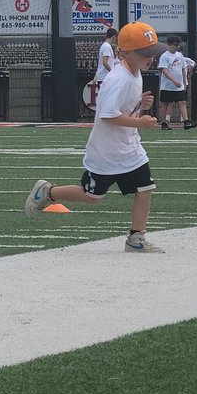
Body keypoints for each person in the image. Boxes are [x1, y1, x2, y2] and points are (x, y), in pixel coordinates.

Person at [25, 20, 165, 252]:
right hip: (107, 153)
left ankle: (136, 239)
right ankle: (48, 192)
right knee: (92, 197)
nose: (151, 57)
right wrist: (140, 121)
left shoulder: (135, 73)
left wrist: (141, 104)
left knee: (145, 189)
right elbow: (107, 116)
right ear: (126, 53)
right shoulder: (118, 79)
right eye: (145, 53)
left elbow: (122, 109)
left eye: (152, 52)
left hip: (129, 148)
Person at [157, 35, 196, 130]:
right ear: (169, 45)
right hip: (167, 86)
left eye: (178, 45)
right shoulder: (165, 56)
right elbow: (164, 70)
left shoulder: (179, 55)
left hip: (179, 85)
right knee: (165, 104)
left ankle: (186, 122)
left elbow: (183, 68)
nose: (177, 47)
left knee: (182, 102)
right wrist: (174, 81)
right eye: (175, 45)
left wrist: (184, 81)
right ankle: (164, 123)